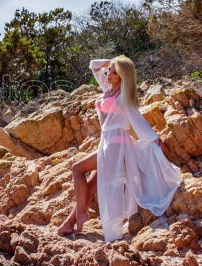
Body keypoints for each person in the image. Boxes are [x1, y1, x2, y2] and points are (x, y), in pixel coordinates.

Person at [57, 56, 182, 241]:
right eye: (110, 71)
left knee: (77, 169)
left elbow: (137, 121)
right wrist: (113, 62)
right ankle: (69, 223)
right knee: (90, 186)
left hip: (116, 146)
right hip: (106, 143)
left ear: (123, 77)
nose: (109, 73)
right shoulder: (108, 88)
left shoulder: (124, 96)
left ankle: (81, 214)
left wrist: (155, 139)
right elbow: (94, 65)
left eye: (115, 72)